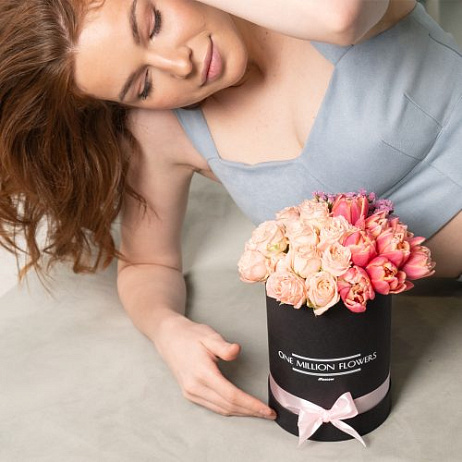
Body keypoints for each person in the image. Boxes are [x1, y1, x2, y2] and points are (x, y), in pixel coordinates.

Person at [1, 0, 461, 421]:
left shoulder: (319, 10)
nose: (179, 64)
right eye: (143, 85)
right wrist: (169, 331)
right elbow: (148, 263)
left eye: (154, 23)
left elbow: (343, 16)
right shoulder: (163, 130)